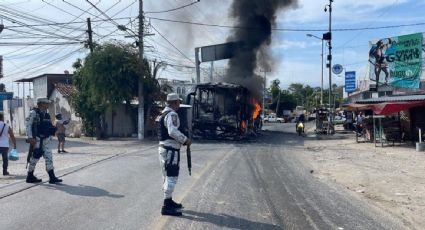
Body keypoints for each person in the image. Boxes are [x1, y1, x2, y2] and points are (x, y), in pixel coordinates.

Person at [157, 93, 192, 216]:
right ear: (173, 103)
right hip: (170, 150)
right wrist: (185, 140)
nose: (179, 105)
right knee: (171, 176)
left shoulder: (164, 114)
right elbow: (172, 131)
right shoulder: (171, 114)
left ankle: (169, 200)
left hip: (166, 149)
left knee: (167, 176)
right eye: (177, 102)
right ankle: (166, 206)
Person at [25, 97, 62, 184]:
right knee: (35, 157)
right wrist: (30, 137)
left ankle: (52, 177)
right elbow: (28, 125)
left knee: (49, 158)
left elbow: (48, 126)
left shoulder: (47, 114)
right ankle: (30, 176)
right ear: (41, 104)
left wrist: (54, 129)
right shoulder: (33, 113)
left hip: (46, 140)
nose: (48, 105)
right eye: (46, 103)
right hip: (37, 139)